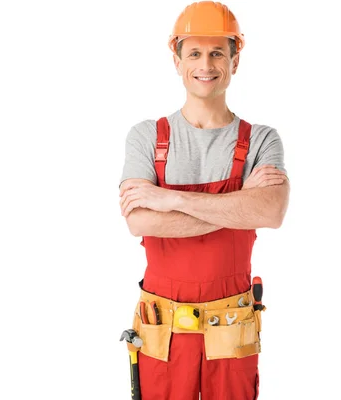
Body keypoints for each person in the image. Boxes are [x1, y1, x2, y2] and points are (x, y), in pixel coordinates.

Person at [118, 2, 290, 399]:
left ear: (235, 59)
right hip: (163, 331)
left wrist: (166, 198)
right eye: (194, 53)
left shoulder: (263, 140)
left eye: (217, 52)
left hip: (232, 329)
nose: (206, 64)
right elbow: (140, 222)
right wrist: (240, 204)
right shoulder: (147, 136)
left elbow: (271, 212)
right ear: (176, 59)